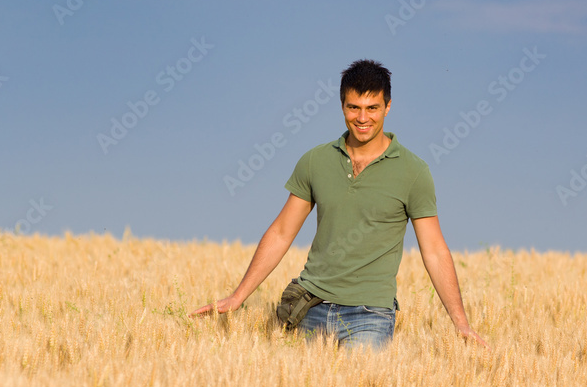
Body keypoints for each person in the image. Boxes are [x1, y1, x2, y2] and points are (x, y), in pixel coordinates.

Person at [190, 59, 487, 351]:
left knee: (360, 383)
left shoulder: (413, 172)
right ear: (342, 105)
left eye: (372, 108)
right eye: (353, 107)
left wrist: (460, 323)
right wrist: (238, 296)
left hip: (370, 315)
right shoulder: (315, 161)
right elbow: (281, 233)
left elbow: (434, 250)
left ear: (388, 107)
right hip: (310, 306)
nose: (362, 118)